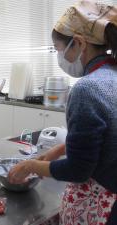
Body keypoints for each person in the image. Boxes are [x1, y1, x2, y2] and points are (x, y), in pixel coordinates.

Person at [8, 1, 117, 224]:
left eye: (60, 50)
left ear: (78, 43)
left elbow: (78, 170)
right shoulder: (113, 75)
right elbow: (106, 138)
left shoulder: (88, 89)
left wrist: (30, 165)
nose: (61, 59)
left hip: (106, 203)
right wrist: (58, 150)